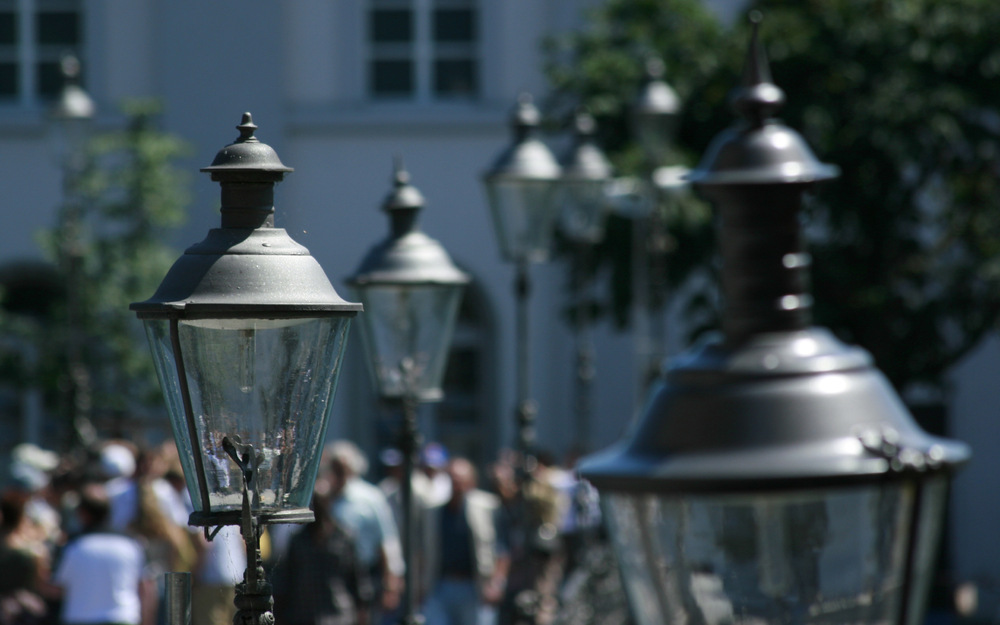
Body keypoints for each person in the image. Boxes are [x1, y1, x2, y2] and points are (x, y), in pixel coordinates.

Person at [423, 458, 509, 625]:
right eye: (452, 479)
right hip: (442, 585)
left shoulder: (488, 507)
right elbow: (423, 551)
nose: (456, 484)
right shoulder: (434, 512)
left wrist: (496, 584)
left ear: (471, 481)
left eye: (461, 480)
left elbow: (502, 550)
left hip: (475, 586)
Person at [325, 441, 403, 624]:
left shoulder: (370, 497)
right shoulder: (323, 497)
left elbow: (387, 541)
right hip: (332, 575)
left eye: (341, 468)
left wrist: (391, 583)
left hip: (365, 573)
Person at [273, 483, 371, 625]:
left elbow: (359, 579)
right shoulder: (298, 541)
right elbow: (285, 580)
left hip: (339, 615)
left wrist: (362, 612)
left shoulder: (344, 538)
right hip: (303, 616)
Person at [53, 484, 151, 625]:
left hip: (80, 619)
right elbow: (146, 588)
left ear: (83, 513)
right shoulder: (132, 544)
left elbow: (57, 589)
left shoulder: (72, 546)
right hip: (122, 618)